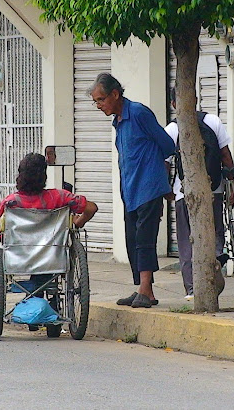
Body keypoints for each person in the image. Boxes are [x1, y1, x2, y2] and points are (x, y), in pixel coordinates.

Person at [0, 153, 98, 323]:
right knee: (47, 257)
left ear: (20, 176)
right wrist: (79, 222)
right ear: (44, 176)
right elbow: (92, 208)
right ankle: (46, 303)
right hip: (51, 258)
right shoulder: (61, 197)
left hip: (18, 258)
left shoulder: (10, 202)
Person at [89, 72, 175, 308]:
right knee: (132, 240)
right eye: (95, 101)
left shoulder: (138, 113)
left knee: (145, 240)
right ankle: (144, 289)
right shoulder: (118, 121)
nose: (98, 105)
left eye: (101, 100)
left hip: (148, 186)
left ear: (115, 94)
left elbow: (167, 144)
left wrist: (156, 167)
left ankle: (145, 291)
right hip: (130, 189)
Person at [165, 88, 234, 300]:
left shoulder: (171, 129)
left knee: (187, 242)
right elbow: (226, 156)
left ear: (173, 104)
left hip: (183, 194)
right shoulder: (213, 121)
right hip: (214, 190)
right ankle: (213, 278)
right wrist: (232, 185)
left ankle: (192, 288)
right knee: (214, 237)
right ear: (195, 99)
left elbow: (165, 164)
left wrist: (166, 189)